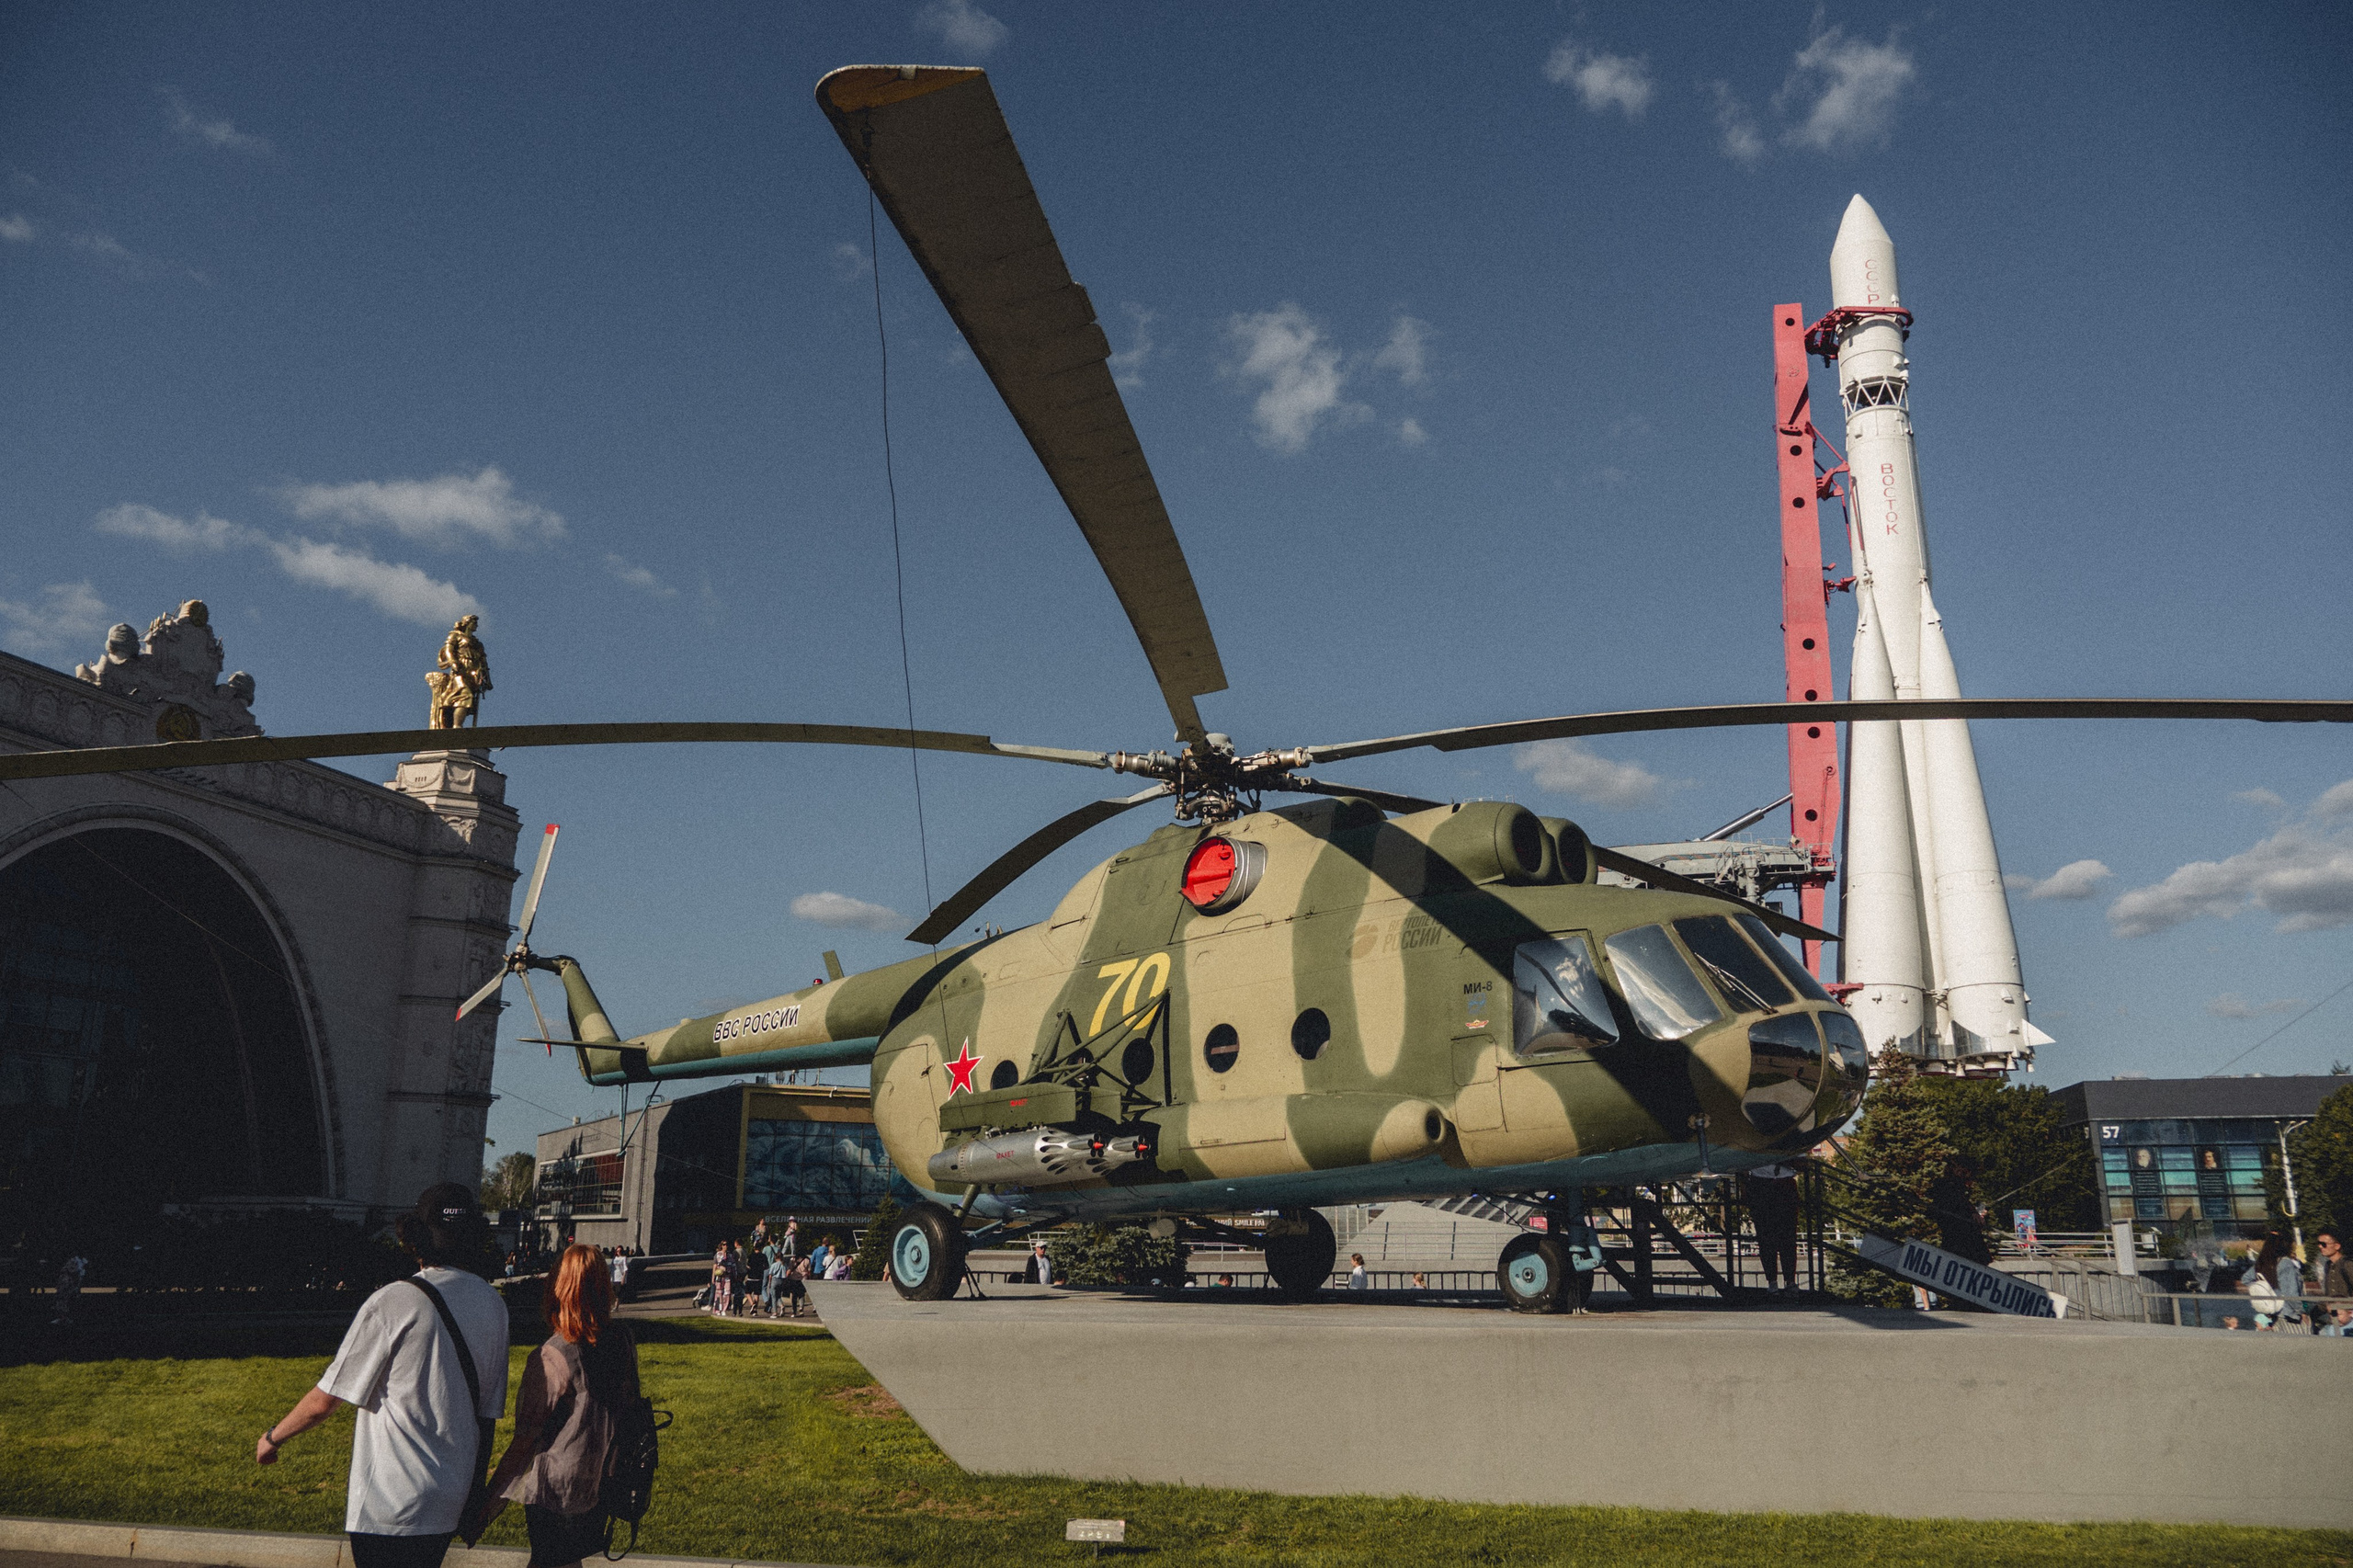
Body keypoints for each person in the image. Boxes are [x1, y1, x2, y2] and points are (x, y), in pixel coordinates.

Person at [256, 1185, 509, 1568]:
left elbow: (326, 1400)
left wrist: (273, 1437)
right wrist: (475, 1496)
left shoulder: (395, 1300)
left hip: (391, 1501)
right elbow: (487, 1415)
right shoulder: (493, 1304)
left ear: (415, 1236)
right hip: (450, 1499)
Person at [465, 1244, 640, 1568]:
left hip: (558, 1490)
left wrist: (488, 1505)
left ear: (559, 1287)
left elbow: (525, 1440)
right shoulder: (622, 1340)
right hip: (603, 1481)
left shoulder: (553, 1354)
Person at [1745, 1162, 1801, 1296]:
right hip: (1761, 1182)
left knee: (1788, 1237)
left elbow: (1802, 1163)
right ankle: (1772, 1281)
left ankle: (1790, 1281)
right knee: (1766, 1238)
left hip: (1784, 1182)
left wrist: (1786, 1160)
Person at [2240, 1232, 2303, 1331]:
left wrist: (2264, 1288)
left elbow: (2246, 1279)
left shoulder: (2262, 1263)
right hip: (2290, 1315)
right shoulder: (2285, 1263)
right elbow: (2291, 1293)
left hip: (2273, 1314)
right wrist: (2301, 1311)